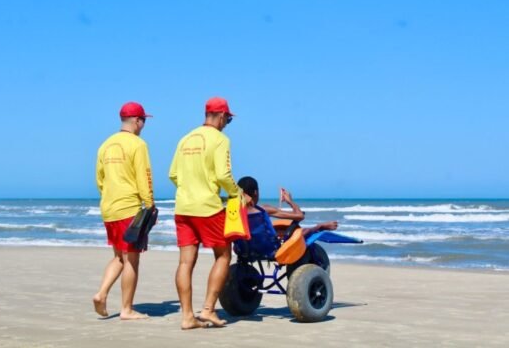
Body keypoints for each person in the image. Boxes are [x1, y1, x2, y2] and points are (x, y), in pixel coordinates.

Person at [169, 97, 239, 330]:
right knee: (223, 255)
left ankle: (187, 317)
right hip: (207, 208)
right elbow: (223, 175)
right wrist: (237, 193)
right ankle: (208, 309)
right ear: (220, 116)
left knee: (185, 262)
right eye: (228, 119)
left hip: (183, 207)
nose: (227, 123)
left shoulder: (185, 139)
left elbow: (174, 175)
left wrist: (190, 187)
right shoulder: (220, 139)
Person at [92, 101, 155, 320]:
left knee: (119, 256)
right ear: (137, 121)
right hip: (129, 208)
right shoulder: (138, 145)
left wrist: (109, 195)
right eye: (144, 121)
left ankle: (101, 293)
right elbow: (144, 178)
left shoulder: (105, 145)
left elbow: (99, 179)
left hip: (109, 207)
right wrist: (150, 205)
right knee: (132, 259)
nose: (144, 125)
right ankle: (126, 309)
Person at [238, 176, 338, 236]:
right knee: (302, 231)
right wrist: (290, 201)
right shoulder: (263, 210)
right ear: (256, 192)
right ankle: (320, 226)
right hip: (268, 248)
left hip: (244, 248)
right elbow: (300, 216)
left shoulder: (235, 211)